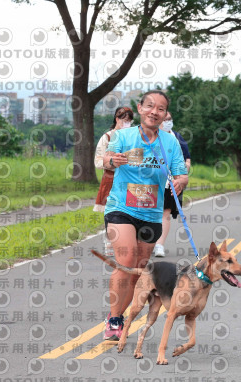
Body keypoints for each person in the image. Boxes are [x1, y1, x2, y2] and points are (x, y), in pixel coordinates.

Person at [101, 90, 188, 341]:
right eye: (150, 106)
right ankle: (114, 320)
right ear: (140, 108)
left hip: (151, 214)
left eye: (160, 109)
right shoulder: (124, 136)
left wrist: (180, 181)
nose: (154, 111)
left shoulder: (169, 142)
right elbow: (106, 158)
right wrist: (113, 160)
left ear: (164, 115)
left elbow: (181, 172)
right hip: (121, 208)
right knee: (126, 259)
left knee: (138, 270)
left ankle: (122, 315)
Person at [93, 107, 134, 255]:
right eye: (124, 120)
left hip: (130, 180)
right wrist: (112, 161)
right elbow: (98, 161)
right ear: (117, 119)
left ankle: (127, 241)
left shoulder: (133, 137)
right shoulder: (107, 137)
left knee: (129, 210)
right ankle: (109, 240)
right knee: (110, 211)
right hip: (111, 178)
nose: (127, 123)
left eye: (130, 121)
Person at [153, 111, 191, 257]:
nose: (168, 121)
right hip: (150, 183)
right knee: (148, 213)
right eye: (165, 119)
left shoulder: (177, 138)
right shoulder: (150, 137)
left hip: (170, 182)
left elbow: (187, 159)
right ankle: (147, 241)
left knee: (165, 212)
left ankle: (159, 245)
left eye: (170, 119)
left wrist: (181, 175)